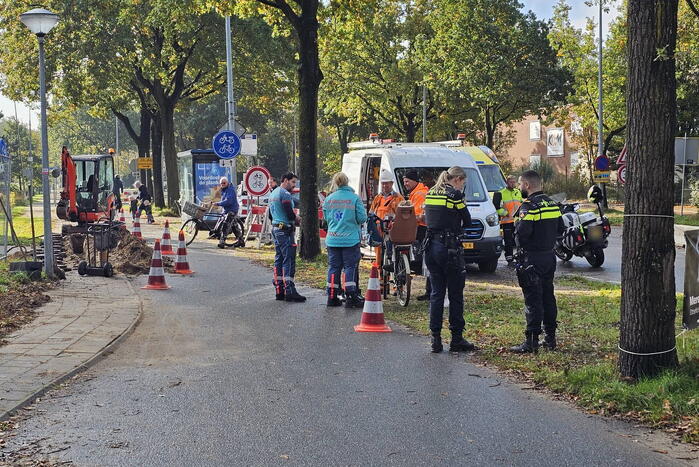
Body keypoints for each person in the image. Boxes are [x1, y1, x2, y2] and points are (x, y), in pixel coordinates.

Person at [509, 170, 565, 354]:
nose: (518, 187)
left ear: (527, 184)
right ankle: (550, 338)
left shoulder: (529, 207)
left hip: (531, 258)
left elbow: (521, 235)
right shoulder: (552, 204)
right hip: (549, 257)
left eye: (519, 184)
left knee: (532, 299)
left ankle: (531, 341)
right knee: (548, 296)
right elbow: (560, 229)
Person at [424, 166, 475, 353]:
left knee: (437, 293)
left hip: (431, 247)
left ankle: (435, 339)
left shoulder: (431, 192)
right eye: (463, 182)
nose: (463, 186)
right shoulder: (454, 195)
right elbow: (467, 220)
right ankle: (456, 339)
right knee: (455, 294)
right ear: (458, 179)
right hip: (450, 248)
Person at [323, 172, 368, 308]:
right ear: (347, 182)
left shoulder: (329, 199)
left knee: (334, 267)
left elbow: (326, 218)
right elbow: (362, 218)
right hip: (350, 240)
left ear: (335, 183)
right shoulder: (354, 198)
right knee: (350, 267)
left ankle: (332, 296)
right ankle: (351, 296)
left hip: (333, 239)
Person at [269, 172, 306, 302]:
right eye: (293, 182)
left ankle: (279, 290)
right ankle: (289, 290)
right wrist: (296, 219)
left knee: (279, 258)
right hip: (285, 230)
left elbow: (270, 215)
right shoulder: (285, 194)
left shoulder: (273, 193)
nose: (294, 185)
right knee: (289, 259)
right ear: (285, 180)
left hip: (275, 228)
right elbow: (289, 213)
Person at [403, 170, 431, 301]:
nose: (405, 184)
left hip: (422, 229)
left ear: (414, 181)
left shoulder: (419, 194)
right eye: (404, 181)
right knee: (428, 260)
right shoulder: (416, 192)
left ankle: (409, 269)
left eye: (407, 181)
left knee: (424, 259)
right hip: (424, 228)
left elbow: (419, 216)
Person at [369, 169, 405, 266]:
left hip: (393, 229)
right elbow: (371, 213)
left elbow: (403, 214)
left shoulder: (398, 198)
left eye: (387, 184)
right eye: (383, 184)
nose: (384, 186)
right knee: (379, 254)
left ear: (392, 183)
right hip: (379, 230)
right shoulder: (377, 198)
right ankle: (380, 275)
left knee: (392, 251)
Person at [492, 175, 523, 264]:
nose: (513, 183)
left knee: (519, 240)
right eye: (511, 182)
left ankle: (519, 256)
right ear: (507, 182)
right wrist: (506, 213)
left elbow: (521, 204)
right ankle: (509, 258)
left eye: (514, 182)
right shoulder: (500, 193)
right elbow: (496, 208)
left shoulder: (518, 192)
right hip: (507, 221)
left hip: (517, 221)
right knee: (508, 241)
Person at [214, 176, 242, 249]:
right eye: (221, 183)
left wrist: (218, 203)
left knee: (226, 225)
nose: (222, 184)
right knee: (234, 226)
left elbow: (228, 201)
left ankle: (222, 242)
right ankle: (241, 241)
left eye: (224, 183)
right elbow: (224, 200)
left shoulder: (230, 190)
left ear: (227, 183)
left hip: (232, 210)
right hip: (226, 210)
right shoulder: (224, 190)